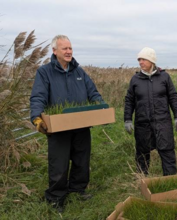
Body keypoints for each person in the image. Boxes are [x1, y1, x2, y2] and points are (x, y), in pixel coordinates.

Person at [30, 35, 104, 212]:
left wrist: (100, 106)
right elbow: (38, 96)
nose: (69, 51)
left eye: (70, 48)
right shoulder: (45, 72)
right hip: (59, 126)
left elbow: (93, 92)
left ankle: (78, 189)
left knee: (81, 160)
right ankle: (56, 197)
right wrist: (36, 118)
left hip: (81, 124)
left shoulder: (79, 71)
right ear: (55, 51)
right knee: (59, 164)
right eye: (65, 48)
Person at [124, 47, 177, 176]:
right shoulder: (135, 79)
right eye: (139, 60)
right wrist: (127, 119)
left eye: (143, 59)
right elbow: (129, 100)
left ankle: (170, 180)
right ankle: (142, 180)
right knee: (142, 153)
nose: (140, 62)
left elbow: (173, 97)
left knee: (167, 151)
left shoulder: (164, 77)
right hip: (142, 123)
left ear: (151, 61)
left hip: (163, 122)